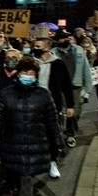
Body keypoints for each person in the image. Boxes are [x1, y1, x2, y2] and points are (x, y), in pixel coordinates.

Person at [0, 58, 64, 196]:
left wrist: (58, 142)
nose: (28, 76)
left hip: (35, 143)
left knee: (27, 175)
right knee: (14, 171)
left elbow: (52, 121)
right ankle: (9, 187)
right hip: (12, 141)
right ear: (18, 73)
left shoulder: (43, 95)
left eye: (31, 73)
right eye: (25, 73)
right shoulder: (6, 93)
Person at [32, 37, 74, 180]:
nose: (35, 48)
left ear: (47, 48)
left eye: (38, 46)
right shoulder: (30, 62)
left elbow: (66, 86)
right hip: (32, 105)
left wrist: (70, 105)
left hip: (51, 104)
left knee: (51, 133)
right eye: (34, 46)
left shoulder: (58, 64)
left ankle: (52, 162)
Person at [52, 29, 93, 146]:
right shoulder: (53, 53)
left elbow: (86, 69)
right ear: (56, 40)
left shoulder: (78, 50)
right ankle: (66, 134)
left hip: (75, 86)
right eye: (61, 38)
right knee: (61, 111)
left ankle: (70, 131)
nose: (64, 40)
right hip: (60, 87)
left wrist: (88, 89)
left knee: (76, 112)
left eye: (66, 37)